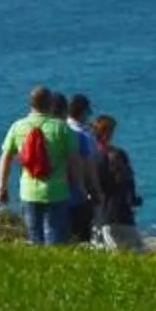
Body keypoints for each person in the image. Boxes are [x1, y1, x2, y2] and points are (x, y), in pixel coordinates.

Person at [0, 86, 83, 245]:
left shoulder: (18, 127)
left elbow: (6, 158)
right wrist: (80, 186)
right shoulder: (61, 128)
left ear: (30, 104)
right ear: (51, 104)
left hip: (29, 192)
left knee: (35, 236)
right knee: (56, 236)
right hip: (57, 191)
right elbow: (74, 161)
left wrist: (2, 187)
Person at [90, 112, 143, 251]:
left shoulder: (90, 156)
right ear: (107, 133)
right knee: (135, 250)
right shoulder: (117, 155)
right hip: (120, 213)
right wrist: (132, 200)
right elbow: (127, 183)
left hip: (99, 215)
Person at [63, 91, 101, 245]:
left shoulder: (62, 129)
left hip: (58, 192)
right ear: (83, 112)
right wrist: (96, 191)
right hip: (80, 194)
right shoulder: (84, 136)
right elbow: (92, 165)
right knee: (82, 237)